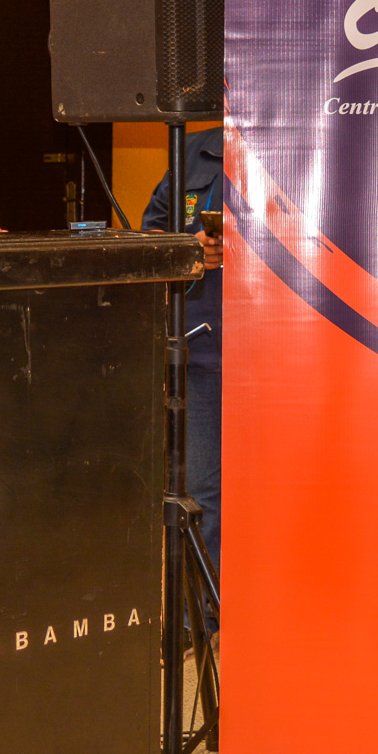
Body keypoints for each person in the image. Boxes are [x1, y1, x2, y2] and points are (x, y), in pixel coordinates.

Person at [142, 127, 225, 576]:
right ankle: (202, 612)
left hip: (287, 359)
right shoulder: (193, 150)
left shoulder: (311, 142)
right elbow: (150, 236)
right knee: (200, 493)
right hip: (203, 352)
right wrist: (187, 249)